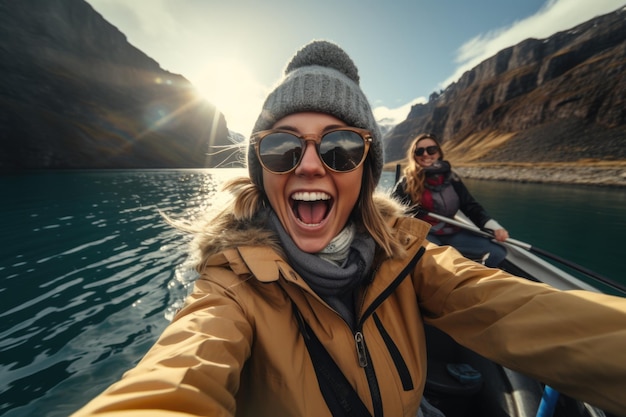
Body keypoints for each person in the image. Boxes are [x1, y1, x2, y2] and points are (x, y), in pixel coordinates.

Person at [71, 40, 626, 417]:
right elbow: (177, 377)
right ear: (260, 169)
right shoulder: (230, 290)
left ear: (364, 170)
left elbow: (521, 310)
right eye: (283, 146)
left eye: (339, 146)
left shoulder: (411, 259)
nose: (309, 165)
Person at [392, 134, 509, 267]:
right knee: (438, 262)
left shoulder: (452, 178)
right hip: (424, 234)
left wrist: (494, 227)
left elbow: (470, 206)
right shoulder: (407, 181)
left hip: (451, 231)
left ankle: (476, 279)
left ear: (438, 153)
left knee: (497, 252)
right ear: (414, 156)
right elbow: (393, 210)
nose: (425, 154)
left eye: (431, 150)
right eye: (419, 151)